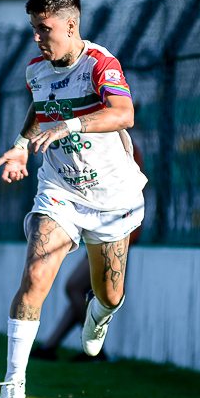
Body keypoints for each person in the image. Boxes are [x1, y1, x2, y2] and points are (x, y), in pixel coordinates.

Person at [0, 0, 146, 398]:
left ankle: (100, 314)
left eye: (44, 29)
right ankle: (13, 385)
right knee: (35, 275)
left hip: (112, 197)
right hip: (60, 190)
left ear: (71, 25)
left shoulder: (100, 63)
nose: (37, 37)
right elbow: (40, 108)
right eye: (34, 28)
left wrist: (72, 125)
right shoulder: (36, 70)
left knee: (109, 294)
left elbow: (124, 113)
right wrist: (20, 146)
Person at [31, 146, 144, 362]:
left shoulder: (123, 147)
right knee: (80, 293)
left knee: (75, 287)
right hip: (102, 227)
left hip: (117, 232)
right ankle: (49, 346)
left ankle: (97, 351)